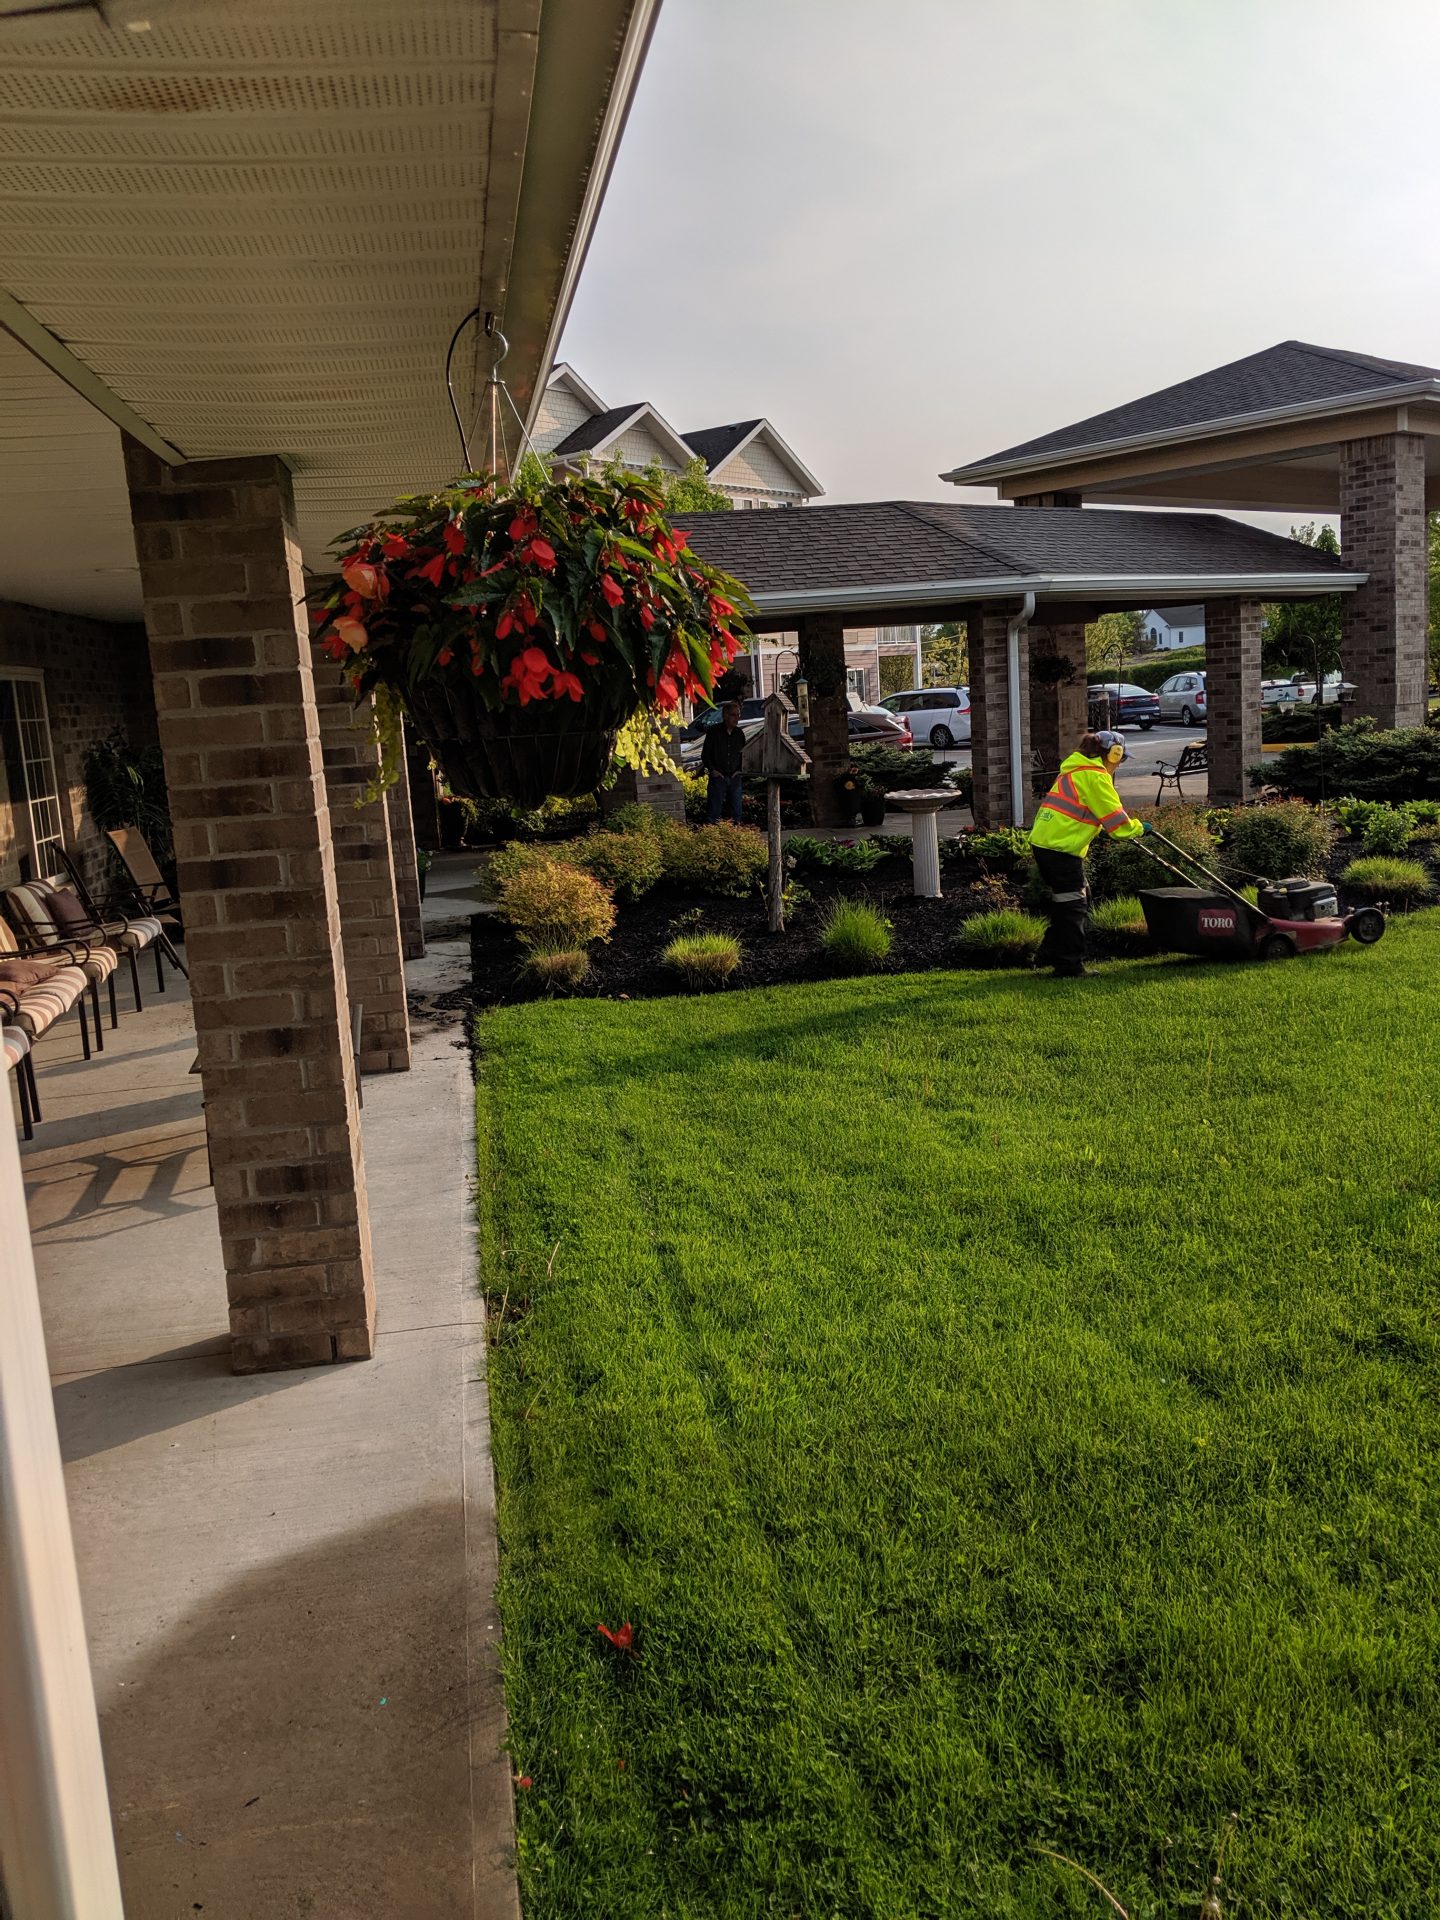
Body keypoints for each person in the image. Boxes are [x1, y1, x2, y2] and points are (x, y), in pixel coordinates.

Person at [1028, 729, 1151, 978]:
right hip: (1060, 848)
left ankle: (1048, 953)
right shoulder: (1095, 777)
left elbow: (1086, 810)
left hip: (1047, 844)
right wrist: (1139, 828)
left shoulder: (1074, 770)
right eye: (1121, 758)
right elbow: (1118, 824)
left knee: (1073, 899)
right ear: (1113, 754)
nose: (1120, 763)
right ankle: (1068, 966)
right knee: (1073, 906)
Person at [701, 700, 746, 824]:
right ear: (725, 716)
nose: (736, 718)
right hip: (718, 777)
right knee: (714, 812)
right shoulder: (714, 731)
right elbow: (706, 754)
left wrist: (740, 770)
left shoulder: (739, 733)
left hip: (734, 776)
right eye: (733, 715)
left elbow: (744, 754)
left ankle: (734, 834)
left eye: (738, 715)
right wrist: (713, 770)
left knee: (736, 812)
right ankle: (713, 834)